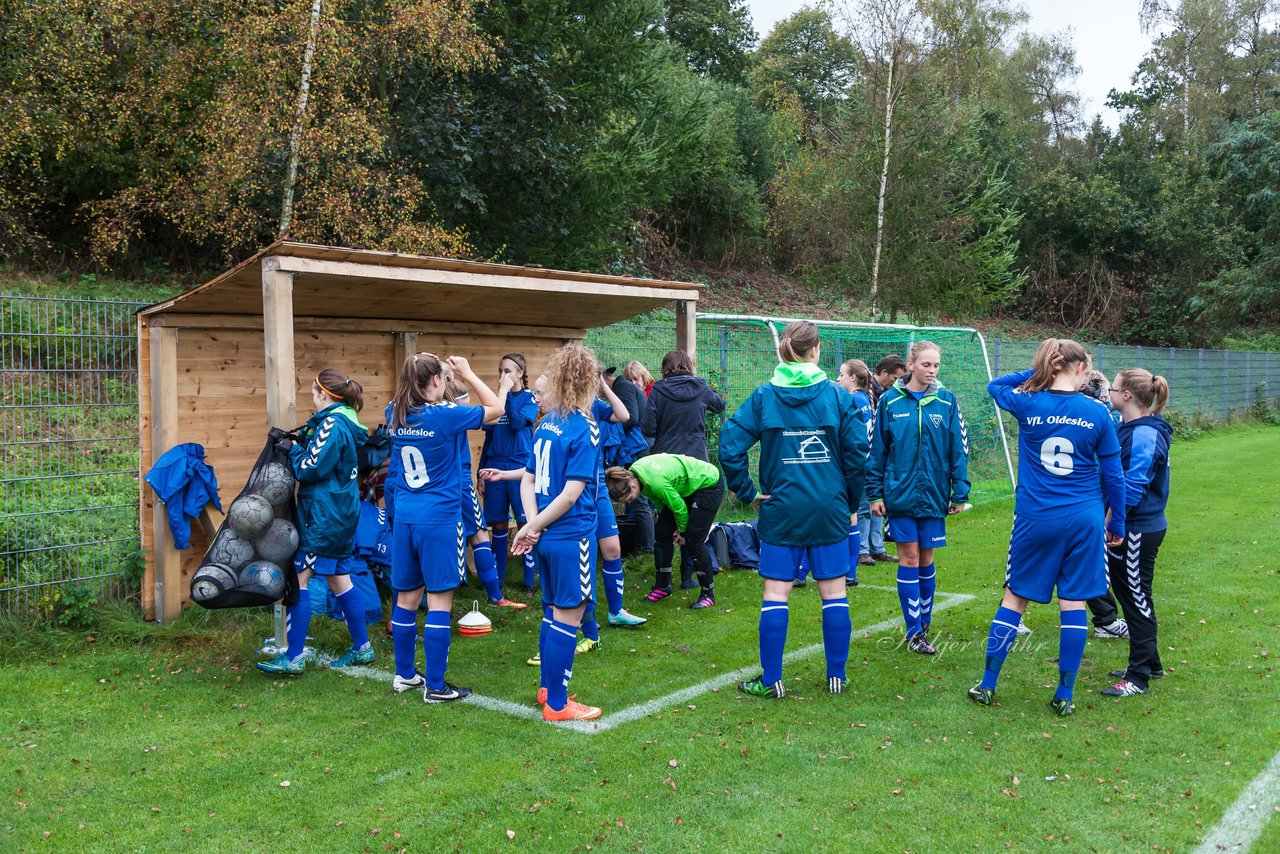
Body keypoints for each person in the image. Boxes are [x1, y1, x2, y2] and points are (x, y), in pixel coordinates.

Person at [968, 338, 1127, 717]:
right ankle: (1064, 694)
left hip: (1035, 517)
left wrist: (1037, 373)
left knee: (1014, 598)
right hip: (1084, 519)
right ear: (1075, 369)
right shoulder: (1098, 412)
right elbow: (1115, 477)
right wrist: (1117, 520)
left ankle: (988, 685)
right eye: (1086, 366)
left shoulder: (1028, 402)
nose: (1088, 373)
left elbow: (995, 386)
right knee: (1072, 602)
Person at [719, 320, 868, 697]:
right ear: (816, 351)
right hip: (828, 508)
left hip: (782, 508)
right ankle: (837, 676)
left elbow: (730, 446)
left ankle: (771, 681)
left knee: (776, 594)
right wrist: (850, 502)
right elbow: (856, 456)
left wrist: (748, 491)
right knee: (834, 593)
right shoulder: (837, 396)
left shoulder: (766, 395)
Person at [385, 353, 504, 703]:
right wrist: (467, 372)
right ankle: (436, 686)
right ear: (437, 381)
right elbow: (495, 408)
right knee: (439, 600)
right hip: (439, 518)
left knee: (406, 598)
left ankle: (405, 674)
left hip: (405, 517)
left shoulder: (395, 412)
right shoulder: (443, 416)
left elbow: (411, 394)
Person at [511, 344, 605, 722]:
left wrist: (531, 526)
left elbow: (528, 480)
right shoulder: (585, 427)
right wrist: (534, 527)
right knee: (570, 615)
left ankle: (548, 689)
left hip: (547, 537)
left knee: (552, 612)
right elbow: (571, 494)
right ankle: (558, 704)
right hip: (571, 535)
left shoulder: (545, 424)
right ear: (587, 382)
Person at [258, 370, 372, 675]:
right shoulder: (345, 420)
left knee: (299, 579)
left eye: (313, 392)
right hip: (341, 512)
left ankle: (293, 657)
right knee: (339, 578)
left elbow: (310, 468)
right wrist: (299, 438)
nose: (312, 397)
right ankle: (362, 648)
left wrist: (291, 449)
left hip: (322, 515)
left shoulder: (333, 424)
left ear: (324, 395)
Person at [866, 341, 970, 655]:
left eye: (936, 365)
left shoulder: (947, 401)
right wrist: (874, 493)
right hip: (900, 496)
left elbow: (958, 450)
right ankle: (914, 633)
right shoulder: (889, 402)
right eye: (926, 365)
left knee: (927, 559)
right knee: (909, 558)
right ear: (911, 365)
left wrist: (960, 492)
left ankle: (924, 624)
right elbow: (877, 453)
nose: (932, 371)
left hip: (935, 496)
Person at [1102, 368, 1173, 698]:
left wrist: (1113, 523)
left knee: (1136, 596)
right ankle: (1151, 663)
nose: (1109, 392)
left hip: (1137, 528)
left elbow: (1133, 485)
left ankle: (1139, 676)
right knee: (1131, 594)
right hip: (1130, 526)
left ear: (1127, 395)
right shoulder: (1128, 428)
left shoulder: (1145, 433)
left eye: (1113, 388)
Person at [642, 349, 726, 587]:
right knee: (693, 523)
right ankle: (688, 577)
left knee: (667, 520)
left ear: (665, 368)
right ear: (688, 366)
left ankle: (664, 580)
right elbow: (720, 405)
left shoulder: (658, 390)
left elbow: (648, 428)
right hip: (696, 463)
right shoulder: (699, 387)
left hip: (666, 462)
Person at [442, 374, 525, 611]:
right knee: (479, 536)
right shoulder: (456, 416)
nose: (466, 408)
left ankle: (422, 601)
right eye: (464, 403)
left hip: (436, 489)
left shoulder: (433, 414)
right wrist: (504, 387)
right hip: (458, 485)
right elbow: (495, 410)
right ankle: (495, 595)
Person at [607, 454, 725, 608]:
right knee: (662, 533)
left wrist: (682, 532)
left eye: (629, 499)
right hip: (685, 489)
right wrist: (670, 525)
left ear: (633, 486)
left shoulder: (656, 482)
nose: (631, 501)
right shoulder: (636, 474)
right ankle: (663, 586)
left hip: (708, 484)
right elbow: (660, 502)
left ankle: (708, 594)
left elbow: (679, 508)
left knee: (693, 540)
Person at [478, 354, 539, 594]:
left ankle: (529, 581)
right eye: (501, 371)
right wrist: (479, 472)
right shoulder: (496, 400)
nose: (503, 376)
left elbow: (515, 424)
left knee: (525, 521)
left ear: (521, 373)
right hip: (495, 465)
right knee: (499, 524)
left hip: (519, 467)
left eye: (508, 371)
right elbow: (489, 435)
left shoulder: (529, 398)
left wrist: (508, 394)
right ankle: (499, 579)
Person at [835, 358, 876, 579]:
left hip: (855, 466)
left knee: (852, 513)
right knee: (857, 512)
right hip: (863, 465)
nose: (838, 378)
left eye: (841, 374)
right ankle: (853, 565)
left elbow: (856, 439)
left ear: (853, 377)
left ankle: (854, 561)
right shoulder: (862, 399)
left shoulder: (854, 400)